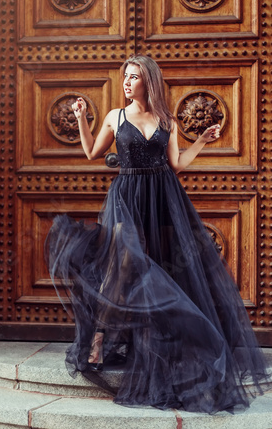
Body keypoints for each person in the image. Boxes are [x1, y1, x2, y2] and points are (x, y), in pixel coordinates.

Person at [45, 55, 270, 414]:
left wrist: (203, 141)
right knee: (124, 262)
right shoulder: (115, 117)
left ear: (149, 82)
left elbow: (177, 164)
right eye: (125, 78)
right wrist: (81, 119)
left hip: (162, 199)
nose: (127, 83)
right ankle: (99, 338)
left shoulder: (166, 120)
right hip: (127, 198)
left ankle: (154, 341)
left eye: (134, 77)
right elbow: (90, 152)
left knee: (162, 266)